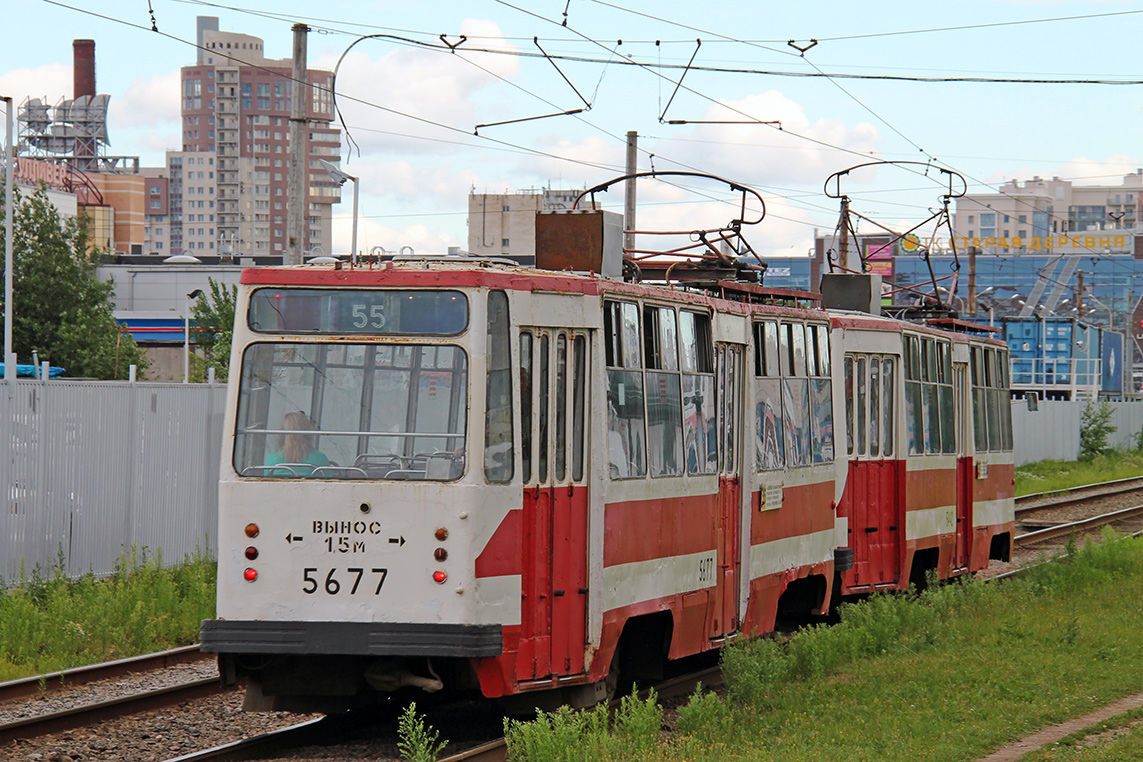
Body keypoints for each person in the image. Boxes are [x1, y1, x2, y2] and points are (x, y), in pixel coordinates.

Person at [265, 412, 330, 476]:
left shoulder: (273, 458)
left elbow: (265, 482)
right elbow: (328, 481)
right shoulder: (320, 458)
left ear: (282, 433)